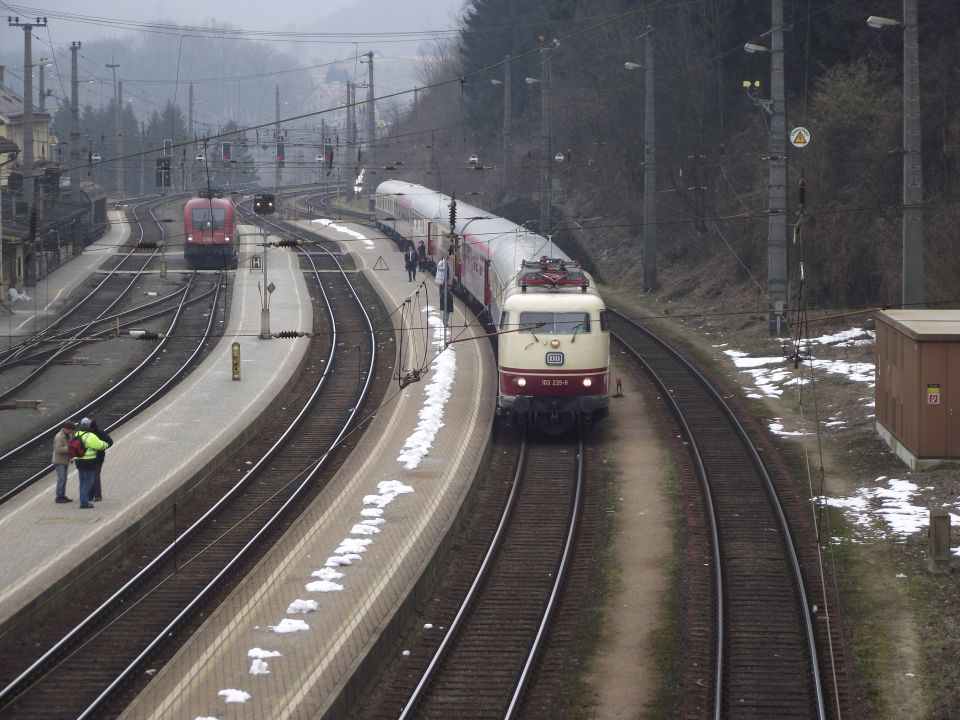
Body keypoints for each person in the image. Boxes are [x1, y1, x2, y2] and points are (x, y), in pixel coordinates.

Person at [74, 417, 109, 509]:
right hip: (89, 462)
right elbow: (101, 445)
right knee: (88, 482)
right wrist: (105, 445)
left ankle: (82, 499)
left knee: (82, 482)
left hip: (78, 462)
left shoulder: (77, 434)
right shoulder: (90, 436)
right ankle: (84, 502)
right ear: (89, 426)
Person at [88, 419, 113, 502]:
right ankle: (91, 495)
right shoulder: (98, 433)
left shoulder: (100, 434)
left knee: (95, 477)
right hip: (91, 459)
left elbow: (110, 442)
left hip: (98, 459)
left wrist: (102, 447)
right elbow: (110, 442)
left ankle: (97, 495)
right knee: (91, 477)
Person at [51, 421, 76, 503]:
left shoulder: (68, 435)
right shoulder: (59, 437)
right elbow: (58, 449)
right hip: (59, 461)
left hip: (65, 460)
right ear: (67, 429)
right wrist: (70, 448)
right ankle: (58, 497)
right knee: (61, 479)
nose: (72, 432)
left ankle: (62, 495)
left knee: (64, 479)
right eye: (71, 430)